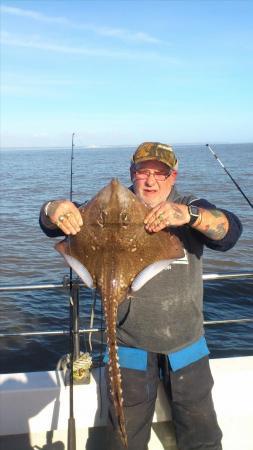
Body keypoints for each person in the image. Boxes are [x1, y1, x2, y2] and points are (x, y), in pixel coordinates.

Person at [39, 142, 242, 450]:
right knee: (124, 439)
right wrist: (54, 209)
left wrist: (187, 215)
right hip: (128, 344)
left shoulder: (188, 204)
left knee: (203, 437)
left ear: (173, 177)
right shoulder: (108, 210)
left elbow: (229, 231)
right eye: (142, 172)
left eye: (160, 173)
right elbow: (51, 223)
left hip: (186, 344)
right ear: (132, 174)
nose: (150, 181)